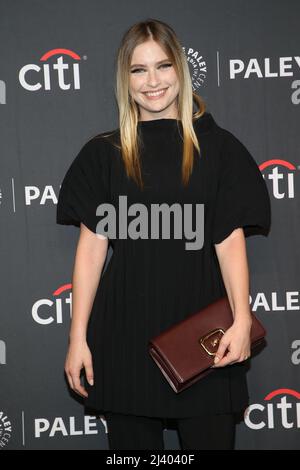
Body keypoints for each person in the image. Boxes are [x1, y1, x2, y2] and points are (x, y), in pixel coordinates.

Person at [56, 18, 271, 450]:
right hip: (124, 338)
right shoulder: (105, 154)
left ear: (181, 71)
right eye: (138, 70)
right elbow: (91, 251)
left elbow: (229, 243)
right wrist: (77, 338)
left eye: (163, 66)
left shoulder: (220, 149)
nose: (152, 81)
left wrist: (242, 319)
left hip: (206, 339)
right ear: (125, 79)